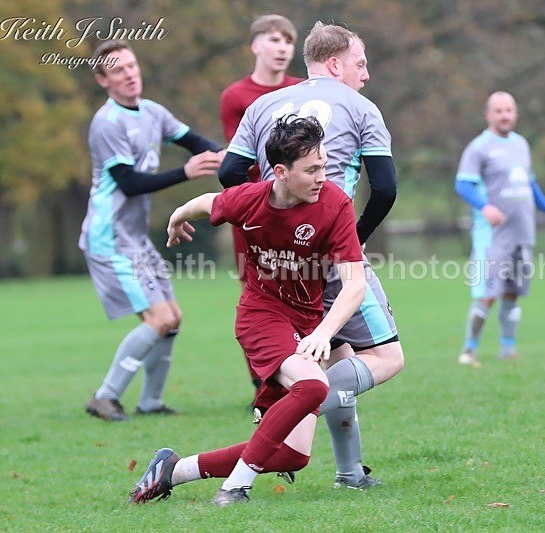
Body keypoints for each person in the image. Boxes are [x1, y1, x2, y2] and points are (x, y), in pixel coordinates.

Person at [129, 116, 366, 507]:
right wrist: (176, 217)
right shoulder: (250, 199)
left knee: (293, 455)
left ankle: (173, 469)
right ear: (281, 172)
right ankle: (236, 487)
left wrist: (323, 332)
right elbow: (207, 203)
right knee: (313, 388)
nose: (323, 176)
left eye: (324, 165)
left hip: (306, 324)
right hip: (261, 316)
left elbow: (354, 284)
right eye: (312, 169)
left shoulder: (335, 204)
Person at [219, 21, 403, 489]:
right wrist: (351, 239)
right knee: (385, 356)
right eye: (361, 64)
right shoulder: (361, 107)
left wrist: (273, 227)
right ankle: (288, 400)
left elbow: (229, 173)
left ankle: (348, 473)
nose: (366, 75)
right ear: (336, 63)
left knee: (339, 354)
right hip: (332, 256)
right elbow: (384, 189)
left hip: (282, 266)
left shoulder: (264, 105)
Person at [79, 40, 225, 421]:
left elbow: (196, 143)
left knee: (172, 319)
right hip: (109, 237)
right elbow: (128, 182)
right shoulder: (106, 124)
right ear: (103, 80)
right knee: (158, 319)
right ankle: (105, 396)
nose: (129, 74)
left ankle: (150, 403)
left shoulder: (152, 112)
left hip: (133, 237)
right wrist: (185, 173)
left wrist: (234, 157)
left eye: (132, 66)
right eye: (118, 70)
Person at [219, 14, 303, 403]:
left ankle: (295, 371)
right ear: (256, 46)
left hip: (297, 210)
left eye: (288, 41)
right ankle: (262, 382)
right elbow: (240, 164)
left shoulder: (303, 90)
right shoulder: (236, 96)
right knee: (258, 292)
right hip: (254, 211)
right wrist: (259, 205)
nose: (283, 48)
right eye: (274, 40)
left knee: (301, 286)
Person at [455, 91, 545, 366]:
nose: (505, 115)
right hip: (493, 237)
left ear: (515, 113)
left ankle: (507, 348)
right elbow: (463, 184)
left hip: (522, 234)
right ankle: (469, 350)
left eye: (509, 110)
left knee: (513, 293)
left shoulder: (521, 145)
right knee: (487, 294)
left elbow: (528, 183)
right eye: (499, 111)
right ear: (488, 115)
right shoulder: (479, 147)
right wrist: (485, 207)